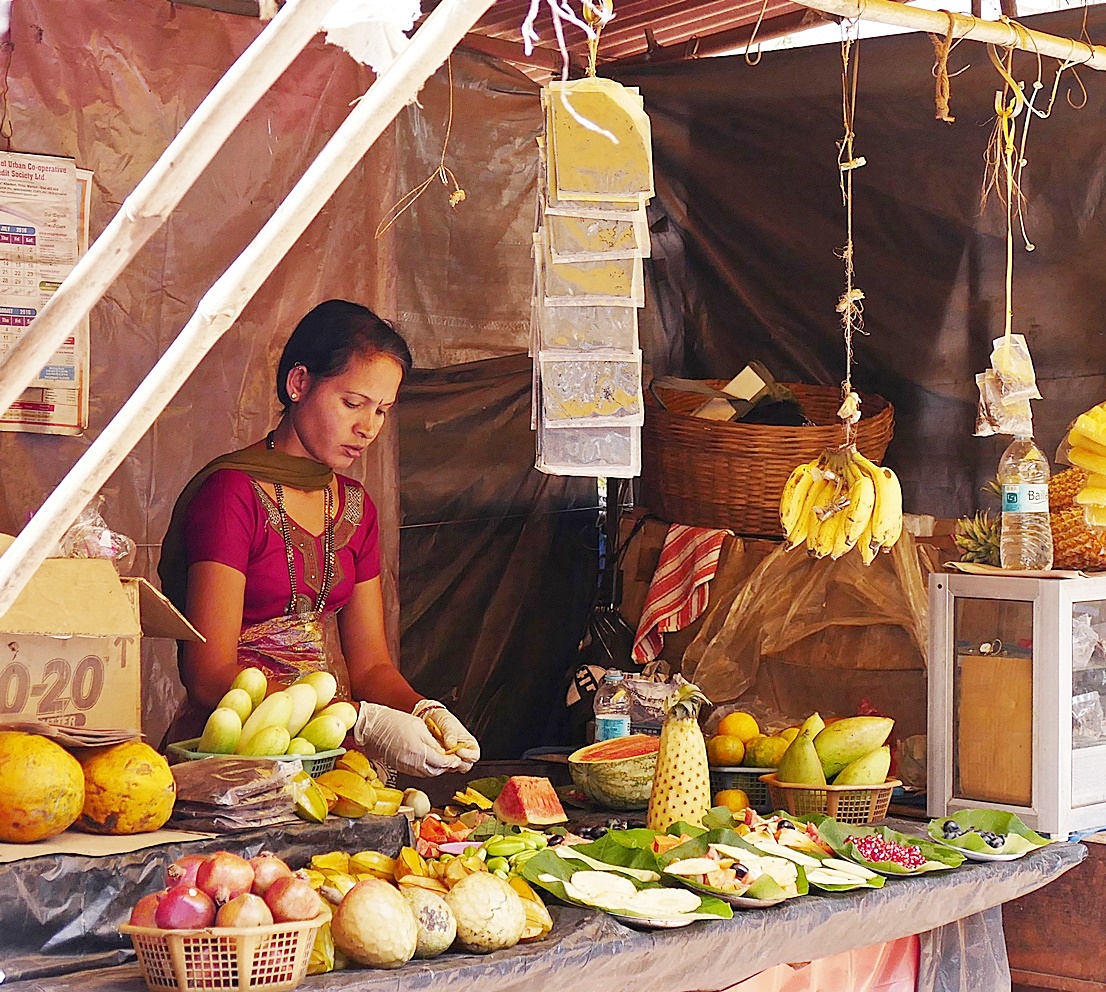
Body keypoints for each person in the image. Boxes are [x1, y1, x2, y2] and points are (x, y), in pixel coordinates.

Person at [158, 300, 479, 777]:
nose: (367, 428)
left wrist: (423, 712)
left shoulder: (355, 506)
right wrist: (358, 722)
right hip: (232, 759)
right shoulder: (231, 495)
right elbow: (208, 677)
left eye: (382, 411)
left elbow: (370, 667)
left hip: (327, 752)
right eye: (352, 403)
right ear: (298, 383)